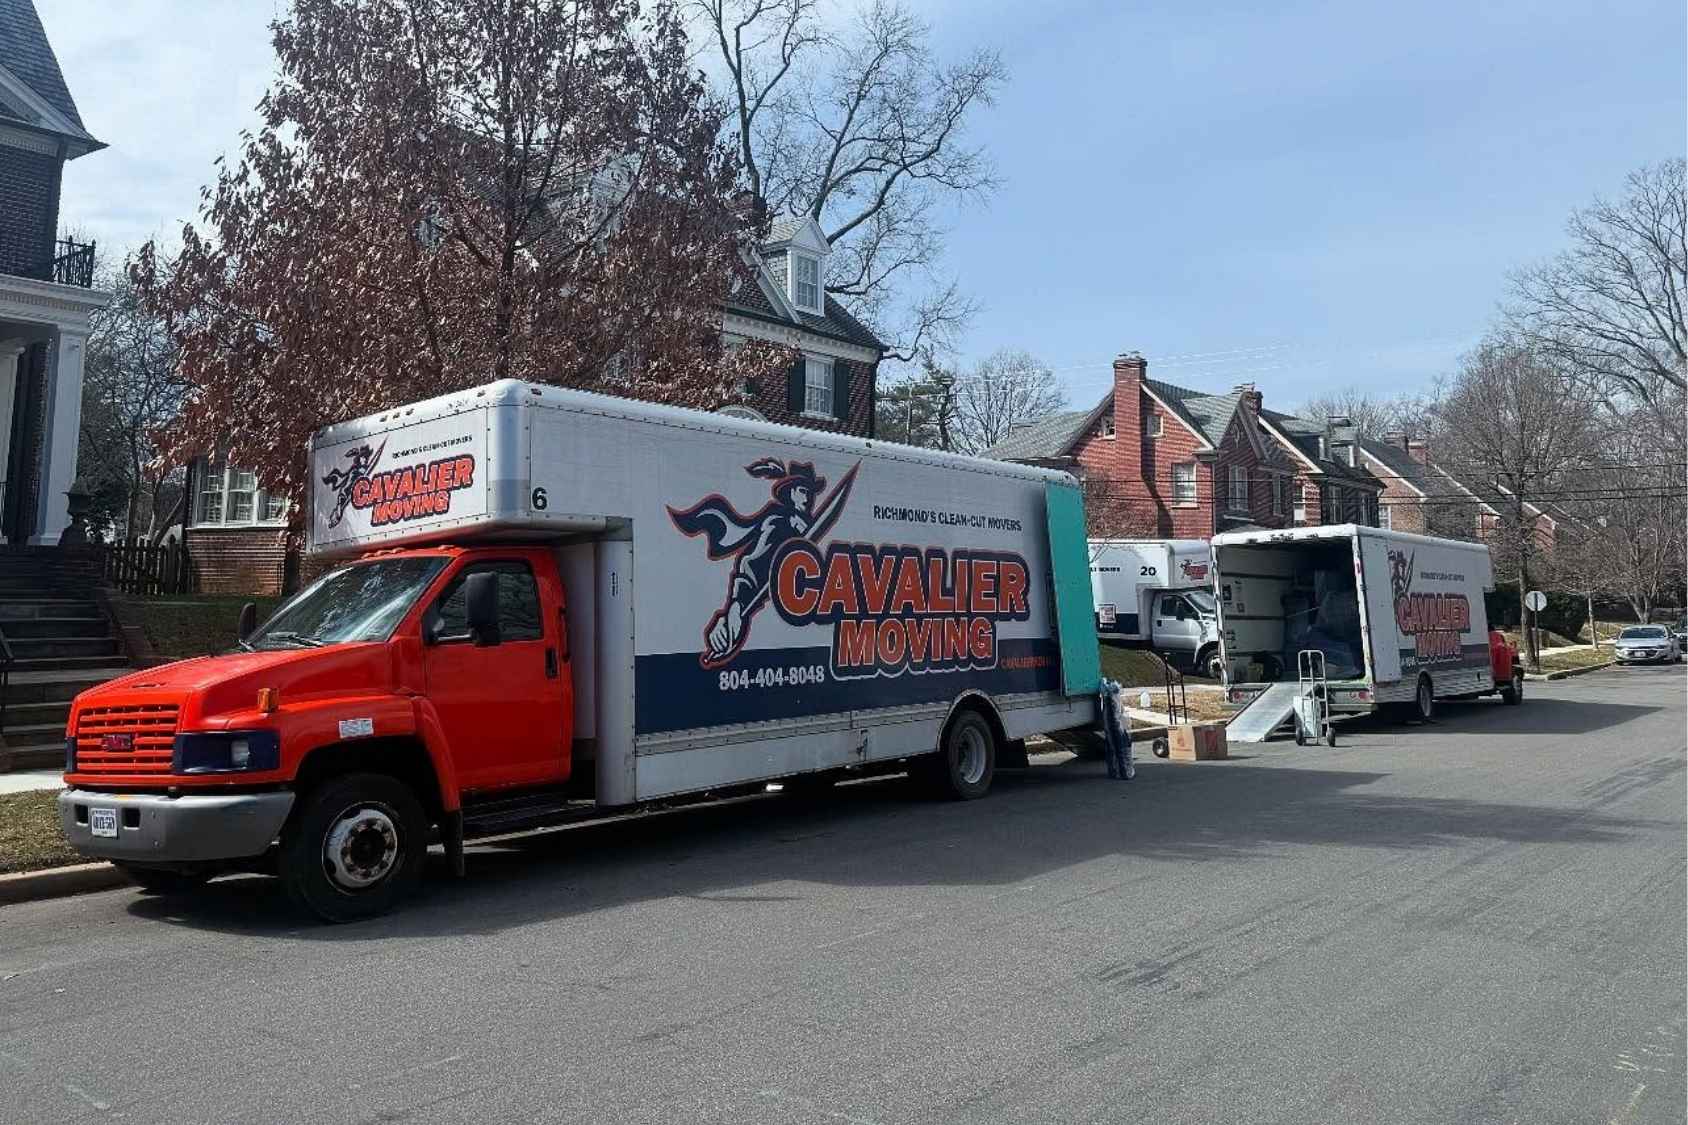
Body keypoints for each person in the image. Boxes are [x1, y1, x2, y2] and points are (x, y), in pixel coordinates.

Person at [1098, 678, 1134, 781]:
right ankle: (1123, 771)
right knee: (1119, 745)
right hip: (1116, 724)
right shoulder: (1112, 696)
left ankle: (1117, 771)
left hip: (1114, 724)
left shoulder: (1109, 697)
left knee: (1115, 745)